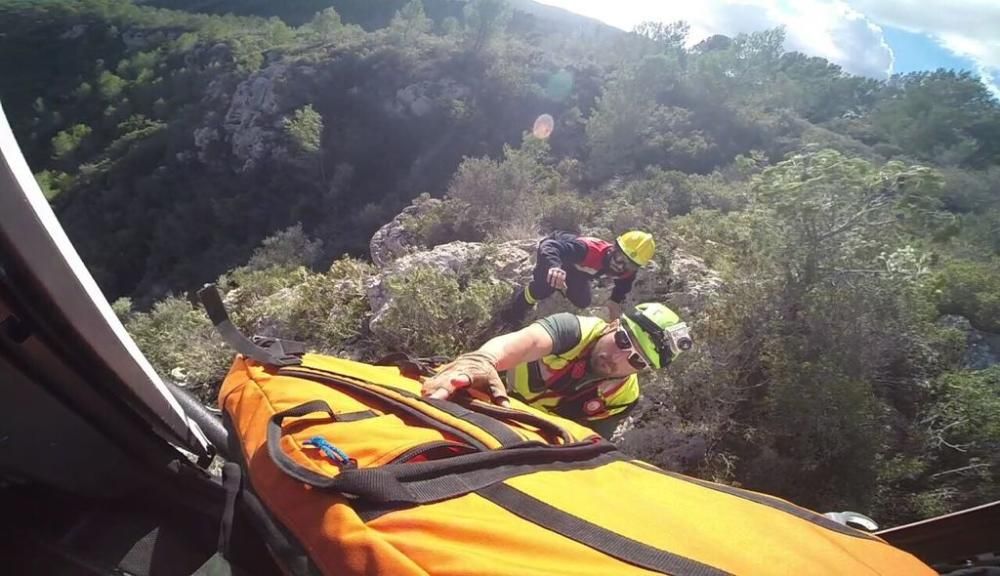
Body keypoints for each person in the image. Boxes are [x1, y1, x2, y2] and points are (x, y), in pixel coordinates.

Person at [422, 302, 692, 438]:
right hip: (486, 397)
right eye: (623, 340)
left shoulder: (622, 398)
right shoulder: (574, 330)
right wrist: (482, 360)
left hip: (527, 438)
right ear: (612, 325)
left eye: (636, 361)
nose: (620, 358)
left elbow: (587, 440)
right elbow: (523, 343)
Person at [502, 230, 655, 325]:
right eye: (620, 258)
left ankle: (561, 284)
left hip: (578, 270)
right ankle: (517, 307)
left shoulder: (627, 271)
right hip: (559, 255)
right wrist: (554, 267)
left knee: (583, 302)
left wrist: (614, 301)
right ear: (614, 249)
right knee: (544, 288)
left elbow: (624, 284)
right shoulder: (588, 250)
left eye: (629, 265)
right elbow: (550, 246)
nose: (621, 267)